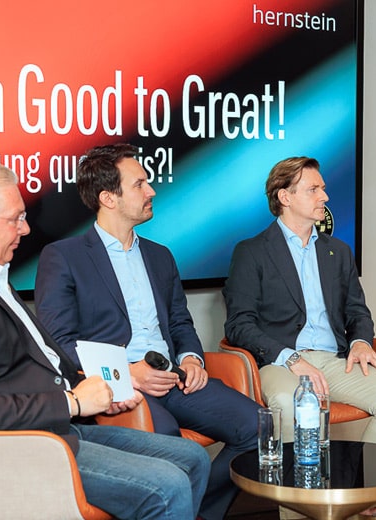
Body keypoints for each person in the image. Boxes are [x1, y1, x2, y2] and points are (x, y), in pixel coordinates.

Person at [0, 162, 210, 520]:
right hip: (20, 449)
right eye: (15, 219)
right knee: (169, 485)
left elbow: (37, 364)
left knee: (193, 459)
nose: (25, 228)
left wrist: (94, 392)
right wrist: (73, 402)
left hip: (55, 430)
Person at [35, 143, 260, 520]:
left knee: (261, 428)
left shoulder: (160, 255)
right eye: (139, 184)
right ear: (108, 197)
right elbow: (59, 342)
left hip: (175, 379)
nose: (151, 190)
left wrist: (191, 358)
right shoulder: (63, 257)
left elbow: (180, 322)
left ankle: (198, 511)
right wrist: (127, 373)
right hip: (122, 388)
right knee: (172, 450)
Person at [222, 156, 376, 445]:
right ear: (285, 197)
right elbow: (239, 325)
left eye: (323, 189)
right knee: (290, 404)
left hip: (334, 362)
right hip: (280, 363)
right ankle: (298, 475)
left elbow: (357, 311)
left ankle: (363, 472)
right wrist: (292, 358)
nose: (324, 197)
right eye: (313, 190)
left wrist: (360, 342)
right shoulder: (252, 252)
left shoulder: (338, 251)